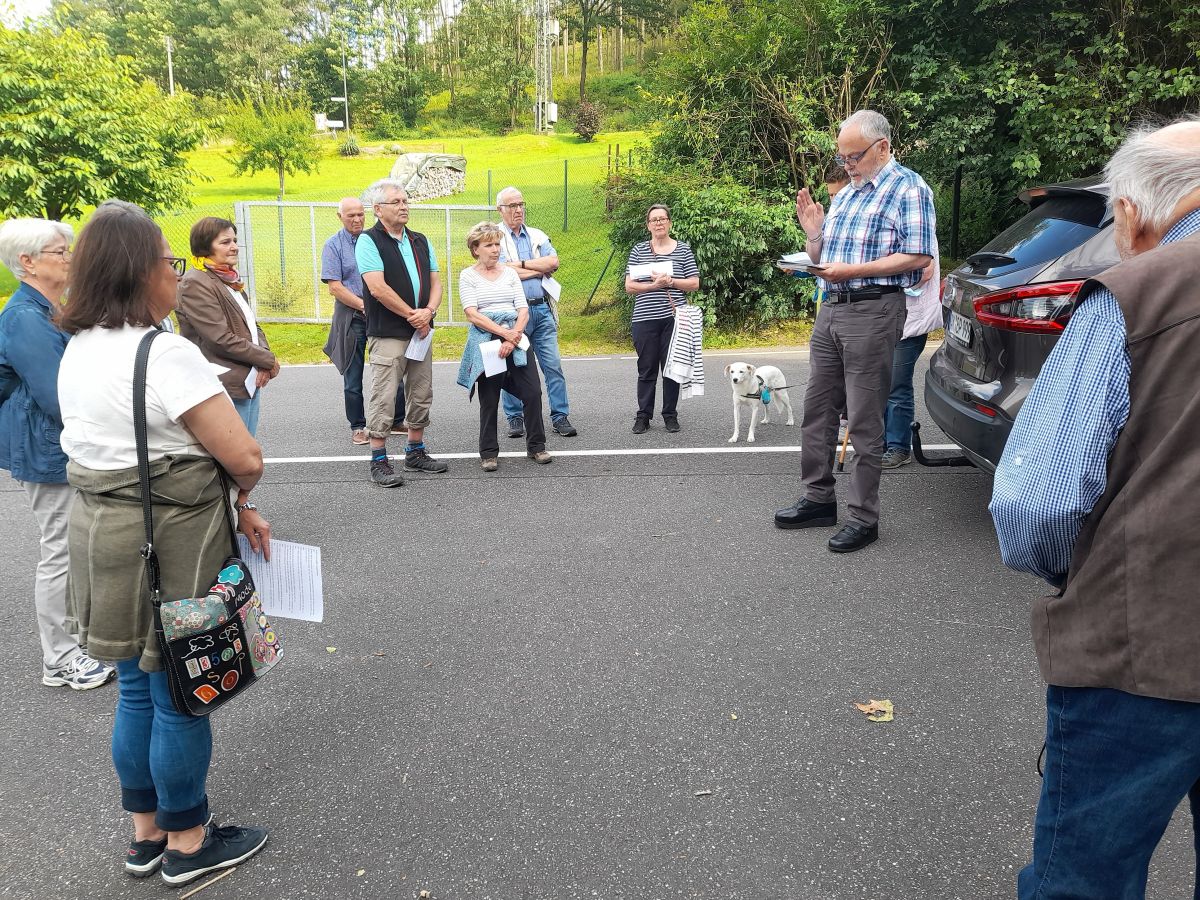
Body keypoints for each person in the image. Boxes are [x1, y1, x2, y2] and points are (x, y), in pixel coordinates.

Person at [990, 117, 1200, 898]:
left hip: (1142, 652)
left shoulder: (1136, 293)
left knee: (1086, 879)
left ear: (1133, 212)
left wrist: (1074, 576)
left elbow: (1034, 503)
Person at [57, 200, 272, 885]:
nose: (174, 276)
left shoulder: (78, 348)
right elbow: (244, 456)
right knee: (183, 692)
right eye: (166, 262)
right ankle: (188, 842)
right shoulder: (164, 351)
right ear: (137, 272)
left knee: (134, 691)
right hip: (172, 543)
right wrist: (245, 495)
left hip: (104, 540)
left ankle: (144, 835)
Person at [773, 110, 935, 553]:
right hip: (831, 309)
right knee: (818, 409)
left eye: (853, 156)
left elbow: (919, 256)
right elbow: (825, 253)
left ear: (882, 146)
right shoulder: (848, 194)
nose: (846, 164)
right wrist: (811, 238)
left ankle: (864, 517)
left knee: (863, 419)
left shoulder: (909, 189)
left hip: (873, 311)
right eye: (842, 156)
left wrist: (852, 272)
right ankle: (818, 498)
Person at [0, 218, 114, 691]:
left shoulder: (47, 308)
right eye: (59, 251)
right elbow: (59, 394)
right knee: (61, 553)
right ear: (27, 262)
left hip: (54, 445)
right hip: (47, 451)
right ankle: (60, 658)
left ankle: (74, 646)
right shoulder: (25, 317)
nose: (69, 258)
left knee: (74, 550)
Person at [355, 178, 448, 486]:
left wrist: (429, 313)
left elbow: (436, 282)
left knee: (421, 392)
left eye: (406, 200)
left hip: (422, 330)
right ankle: (379, 460)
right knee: (383, 395)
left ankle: (415, 451)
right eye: (396, 202)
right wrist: (413, 315)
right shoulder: (369, 241)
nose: (404, 206)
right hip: (390, 332)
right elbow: (377, 288)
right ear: (378, 209)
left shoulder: (420, 240)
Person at [456, 222, 552, 470]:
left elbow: (522, 308)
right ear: (475, 249)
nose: (495, 249)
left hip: (516, 337)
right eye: (489, 245)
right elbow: (472, 314)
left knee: (532, 393)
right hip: (488, 339)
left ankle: (537, 447)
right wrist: (503, 335)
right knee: (490, 398)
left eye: (497, 244)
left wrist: (514, 336)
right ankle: (488, 453)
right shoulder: (468, 275)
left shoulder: (510, 273)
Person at [176, 217, 279, 437]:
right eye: (225, 242)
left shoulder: (228, 279)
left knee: (246, 451)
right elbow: (219, 338)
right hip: (221, 383)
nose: (234, 247)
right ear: (205, 247)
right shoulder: (196, 282)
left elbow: (251, 325)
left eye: (234, 240)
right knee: (232, 459)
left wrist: (263, 359)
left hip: (248, 379)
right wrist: (266, 360)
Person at [495, 186, 578, 439]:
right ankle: (515, 417)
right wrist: (536, 268)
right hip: (513, 313)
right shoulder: (494, 237)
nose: (518, 209)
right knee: (512, 367)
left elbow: (553, 263)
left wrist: (518, 266)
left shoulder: (538, 235)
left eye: (521, 204)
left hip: (541, 309)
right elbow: (500, 271)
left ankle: (560, 415)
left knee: (552, 365)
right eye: (512, 206)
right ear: (501, 210)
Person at [320, 197, 405, 445]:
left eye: (360, 214)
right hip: (353, 316)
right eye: (351, 216)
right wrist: (364, 306)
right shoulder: (333, 246)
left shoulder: (377, 240)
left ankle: (396, 419)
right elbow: (335, 287)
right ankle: (358, 426)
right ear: (340, 217)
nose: (357, 220)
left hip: (383, 314)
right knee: (353, 375)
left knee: (392, 368)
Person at [624, 204, 701, 434]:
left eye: (662, 219)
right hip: (644, 319)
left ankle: (670, 415)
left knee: (672, 368)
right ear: (648, 225)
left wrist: (671, 283)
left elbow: (694, 283)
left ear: (669, 222)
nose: (658, 223)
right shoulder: (639, 250)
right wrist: (653, 286)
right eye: (653, 220)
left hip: (674, 319)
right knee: (646, 369)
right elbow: (629, 286)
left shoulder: (683, 250)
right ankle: (643, 416)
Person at [881, 243, 941, 468]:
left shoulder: (918, 222)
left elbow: (925, 272)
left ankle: (898, 446)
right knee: (878, 383)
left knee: (896, 385)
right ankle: (882, 442)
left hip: (910, 321)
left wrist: (879, 276)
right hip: (881, 319)